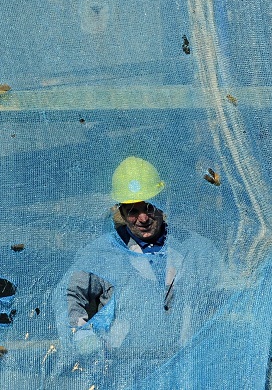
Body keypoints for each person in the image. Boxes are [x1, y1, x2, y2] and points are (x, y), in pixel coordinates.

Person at [56, 157, 222, 386]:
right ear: (121, 213)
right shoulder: (101, 254)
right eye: (132, 211)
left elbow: (223, 296)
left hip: (185, 369)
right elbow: (70, 296)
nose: (143, 218)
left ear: (163, 203)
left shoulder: (196, 249)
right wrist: (82, 333)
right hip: (122, 371)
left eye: (149, 207)